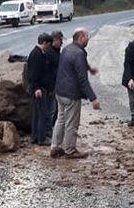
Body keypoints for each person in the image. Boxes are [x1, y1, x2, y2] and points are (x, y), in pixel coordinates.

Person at [50, 27, 100, 160]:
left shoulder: (67, 49)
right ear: (81, 37)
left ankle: (55, 147)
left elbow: (75, 64)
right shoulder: (79, 53)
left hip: (59, 91)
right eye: (87, 36)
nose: (88, 38)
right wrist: (93, 98)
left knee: (60, 120)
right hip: (71, 94)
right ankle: (70, 150)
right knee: (71, 123)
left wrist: (89, 69)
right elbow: (82, 79)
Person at [27, 32, 53, 145]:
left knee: (37, 113)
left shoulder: (37, 53)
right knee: (41, 113)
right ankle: (41, 138)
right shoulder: (36, 54)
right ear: (44, 43)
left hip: (38, 87)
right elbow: (33, 73)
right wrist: (37, 88)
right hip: (38, 89)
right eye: (48, 44)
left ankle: (35, 137)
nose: (49, 47)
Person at [45, 31, 63, 138]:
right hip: (51, 86)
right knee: (51, 110)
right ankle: (48, 132)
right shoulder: (50, 53)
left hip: (57, 85)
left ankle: (53, 130)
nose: (61, 42)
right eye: (60, 40)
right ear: (55, 40)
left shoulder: (56, 52)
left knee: (55, 110)